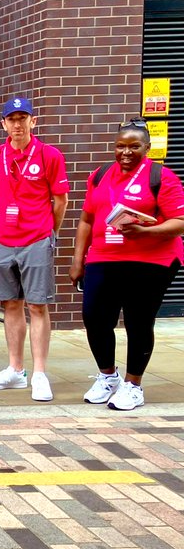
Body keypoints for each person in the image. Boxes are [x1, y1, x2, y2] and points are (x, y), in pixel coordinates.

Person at [70, 119, 184, 411]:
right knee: (95, 318)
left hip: (150, 259)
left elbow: (180, 222)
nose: (126, 152)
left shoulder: (162, 177)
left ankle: (133, 385)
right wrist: (77, 259)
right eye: (121, 146)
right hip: (104, 256)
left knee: (138, 320)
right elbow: (86, 219)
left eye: (134, 146)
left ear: (147, 147)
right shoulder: (100, 174)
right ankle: (108, 377)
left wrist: (147, 232)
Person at [0, 96, 69, 402]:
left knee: (37, 305)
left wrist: (48, 232)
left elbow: (61, 200)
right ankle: (16, 370)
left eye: (22, 118)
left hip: (36, 238)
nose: (17, 124)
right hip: (3, 239)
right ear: (3, 124)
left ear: (33, 121)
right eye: (11, 119)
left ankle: (40, 374)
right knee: (11, 304)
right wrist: (8, 218)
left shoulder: (49, 154)